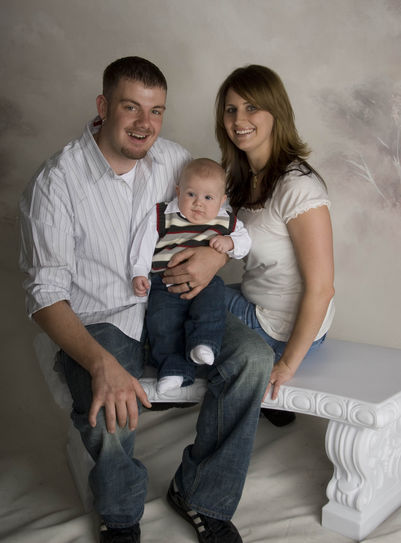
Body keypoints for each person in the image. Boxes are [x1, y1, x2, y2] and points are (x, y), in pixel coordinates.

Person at [19, 56, 274, 543]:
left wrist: (214, 257)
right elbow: (45, 296)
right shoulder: (55, 183)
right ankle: (120, 516)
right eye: (131, 107)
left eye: (156, 111)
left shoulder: (175, 161)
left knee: (254, 359)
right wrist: (100, 363)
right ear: (103, 106)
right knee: (107, 393)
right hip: (100, 320)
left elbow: (216, 214)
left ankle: (200, 495)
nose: (145, 124)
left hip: (177, 302)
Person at [215, 64, 335, 426]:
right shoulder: (244, 179)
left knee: (180, 296)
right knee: (188, 288)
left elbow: (322, 288)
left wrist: (286, 366)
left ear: (276, 112)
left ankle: (181, 378)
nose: (239, 120)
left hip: (283, 329)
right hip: (260, 307)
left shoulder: (298, 186)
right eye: (231, 109)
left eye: (252, 107)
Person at [131, 158, 251, 394]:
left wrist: (230, 243)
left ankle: (204, 343)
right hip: (165, 282)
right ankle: (173, 370)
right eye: (191, 194)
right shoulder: (163, 214)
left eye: (208, 198)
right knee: (162, 323)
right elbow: (143, 244)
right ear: (178, 192)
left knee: (212, 304)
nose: (198, 203)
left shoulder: (225, 220)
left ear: (222, 200)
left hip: (205, 284)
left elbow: (245, 241)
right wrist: (139, 272)